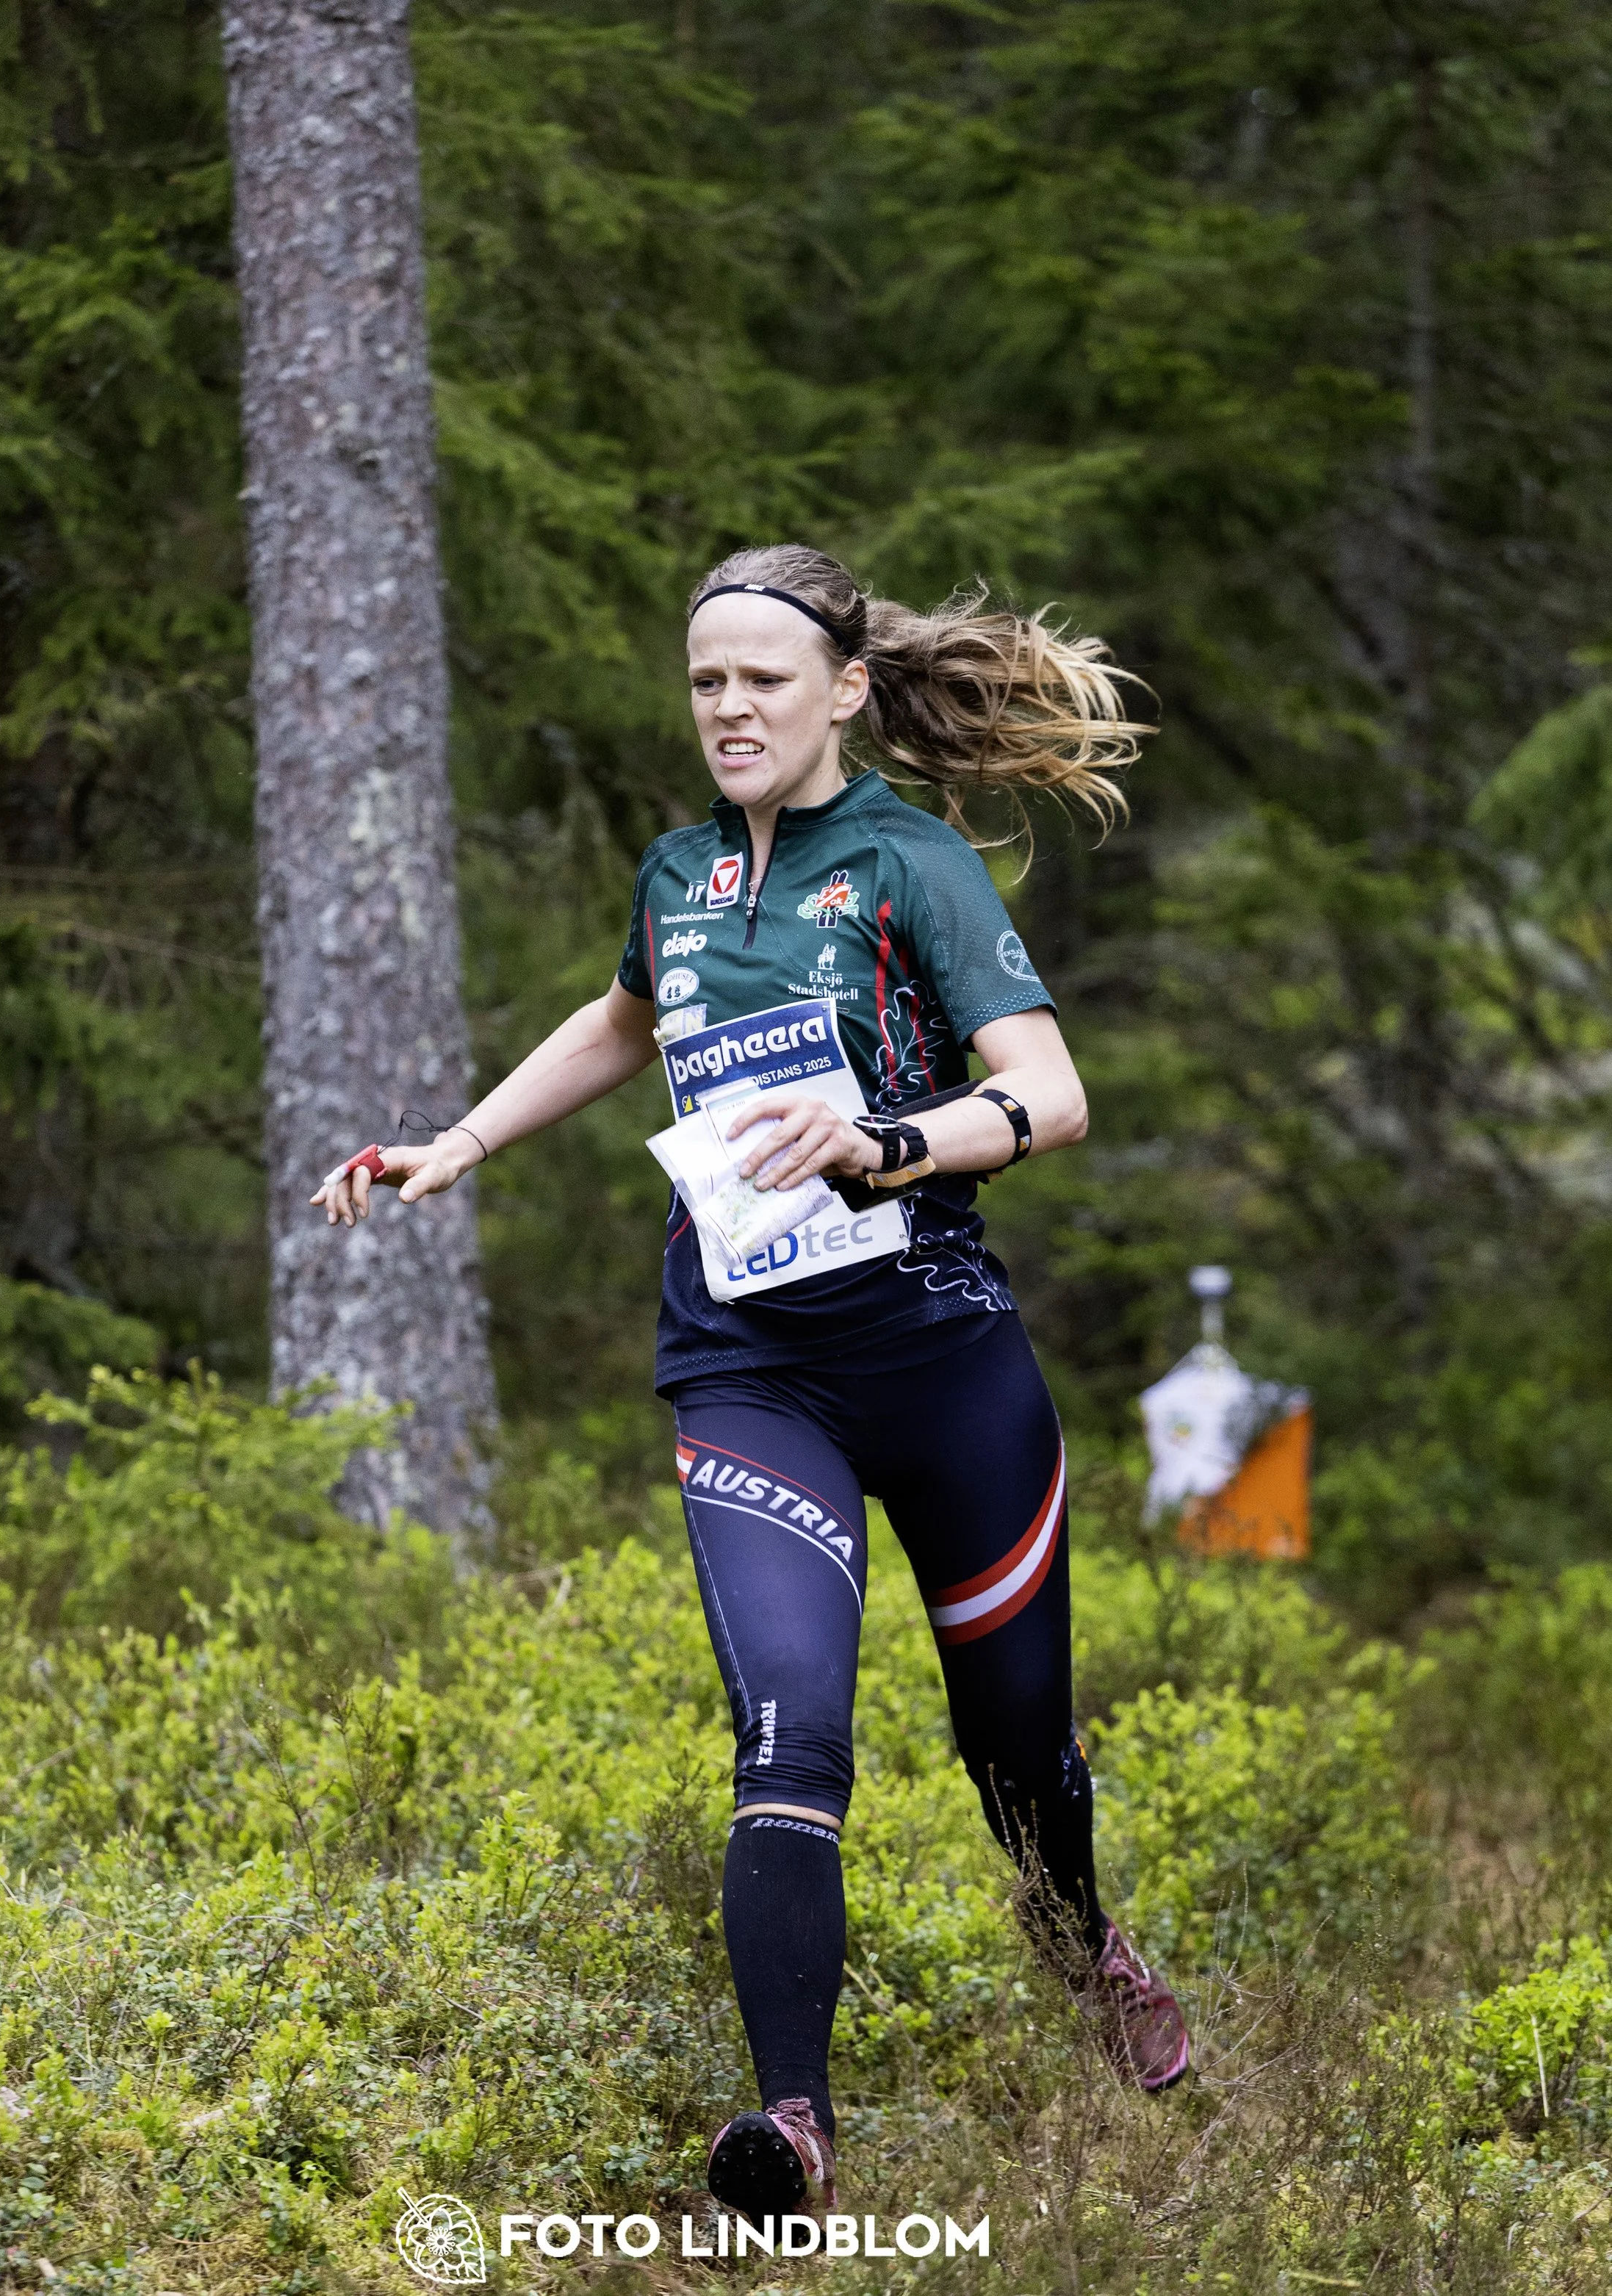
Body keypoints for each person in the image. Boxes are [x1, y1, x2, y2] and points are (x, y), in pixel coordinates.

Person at [312, 544, 1190, 2220]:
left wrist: (876, 1143)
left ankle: (1082, 1947)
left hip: (940, 1360)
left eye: (760, 679)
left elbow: (1051, 1095)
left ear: (842, 690)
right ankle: (789, 2125)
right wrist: (460, 1139)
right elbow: (624, 1016)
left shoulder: (911, 867)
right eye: (704, 678)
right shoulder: (675, 871)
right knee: (788, 1725)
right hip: (746, 1366)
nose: (725, 706)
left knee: (1012, 1745)